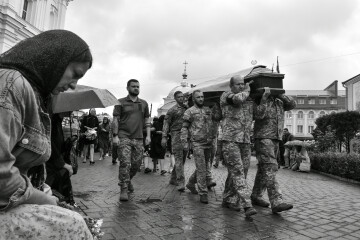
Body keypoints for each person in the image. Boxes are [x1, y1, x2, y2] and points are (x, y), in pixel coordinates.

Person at [0, 30, 93, 239]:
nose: (73, 85)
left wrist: (41, 190)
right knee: (74, 226)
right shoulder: (11, 85)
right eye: (75, 74)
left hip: (14, 197)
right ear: (55, 61)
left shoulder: (34, 92)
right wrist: (39, 197)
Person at [251, 87, 297, 214]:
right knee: (270, 166)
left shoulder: (280, 100)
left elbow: (292, 104)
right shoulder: (258, 99)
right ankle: (276, 201)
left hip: (276, 137)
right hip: (263, 137)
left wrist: (280, 94)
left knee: (263, 169)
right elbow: (258, 115)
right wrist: (264, 98)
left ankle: (256, 195)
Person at [219, 76, 257, 216]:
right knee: (238, 171)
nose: (241, 86)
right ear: (231, 86)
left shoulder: (247, 100)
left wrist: (263, 99)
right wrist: (247, 90)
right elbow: (238, 99)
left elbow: (257, 115)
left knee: (240, 172)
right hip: (231, 140)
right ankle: (247, 204)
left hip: (245, 141)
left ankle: (228, 198)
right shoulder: (226, 96)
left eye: (243, 84)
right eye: (238, 84)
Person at [112, 79, 151, 201]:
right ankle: (123, 188)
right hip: (124, 136)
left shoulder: (144, 103)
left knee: (137, 164)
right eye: (133, 86)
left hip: (139, 137)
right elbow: (115, 120)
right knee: (125, 162)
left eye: (138, 86)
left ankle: (128, 180)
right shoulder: (120, 102)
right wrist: (115, 136)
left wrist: (148, 135)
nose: (136, 88)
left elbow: (147, 121)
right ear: (127, 88)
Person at [180, 90, 220, 204]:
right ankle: (203, 193)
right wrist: (184, 142)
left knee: (202, 167)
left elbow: (217, 118)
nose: (201, 99)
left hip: (209, 143)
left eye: (202, 97)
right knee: (202, 168)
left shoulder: (208, 109)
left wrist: (217, 105)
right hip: (197, 143)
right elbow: (184, 127)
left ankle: (191, 183)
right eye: (198, 97)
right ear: (193, 99)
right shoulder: (189, 112)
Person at [45, 112, 75, 205]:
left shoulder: (57, 120)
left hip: (55, 163)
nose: (71, 111)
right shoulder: (52, 121)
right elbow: (50, 144)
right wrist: (62, 164)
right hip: (51, 165)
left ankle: (64, 203)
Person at [161, 91, 188, 191]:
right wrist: (164, 136)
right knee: (179, 159)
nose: (182, 98)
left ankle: (173, 178)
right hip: (176, 135)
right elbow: (166, 124)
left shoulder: (187, 108)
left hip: (186, 136)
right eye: (179, 97)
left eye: (182, 96)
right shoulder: (172, 110)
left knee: (183, 159)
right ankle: (180, 182)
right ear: (175, 99)